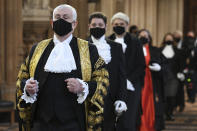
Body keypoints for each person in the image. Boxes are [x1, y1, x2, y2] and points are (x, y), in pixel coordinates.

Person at [16, 4, 109, 131]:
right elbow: (22, 77)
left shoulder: (88, 49)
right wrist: (27, 87)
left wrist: (83, 87)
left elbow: (102, 79)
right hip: (41, 122)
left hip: (74, 122)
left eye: (65, 17)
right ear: (52, 23)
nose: (61, 20)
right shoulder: (37, 49)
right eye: (57, 17)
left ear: (74, 24)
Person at [87, 12, 127, 131]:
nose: (97, 27)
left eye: (100, 24)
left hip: (110, 99)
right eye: (94, 25)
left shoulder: (116, 47)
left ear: (105, 27)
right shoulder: (82, 45)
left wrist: (121, 98)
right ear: (89, 26)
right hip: (87, 98)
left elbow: (121, 76)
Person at [108, 12, 146, 131]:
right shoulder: (108, 41)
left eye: (121, 24)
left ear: (127, 25)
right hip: (113, 85)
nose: (119, 26)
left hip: (132, 85)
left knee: (128, 118)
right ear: (112, 25)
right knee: (113, 117)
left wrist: (128, 80)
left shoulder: (135, 41)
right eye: (116, 24)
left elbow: (141, 65)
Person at [138, 29, 165, 131]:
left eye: (145, 36)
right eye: (141, 36)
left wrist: (159, 68)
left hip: (152, 81)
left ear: (149, 38)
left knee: (151, 105)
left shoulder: (155, 50)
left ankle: (150, 126)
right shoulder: (134, 50)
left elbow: (164, 64)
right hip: (139, 82)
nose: (143, 37)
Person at [160, 33, 184, 121]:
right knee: (164, 96)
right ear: (164, 39)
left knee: (172, 96)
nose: (169, 40)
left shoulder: (177, 50)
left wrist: (181, 72)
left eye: (170, 38)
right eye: (167, 38)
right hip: (162, 76)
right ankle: (164, 113)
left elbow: (180, 63)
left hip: (173, 76)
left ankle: (170, 113)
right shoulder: (160, 50)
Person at [173, 30, 185, 112]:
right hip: (174, 69)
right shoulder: (172, 44)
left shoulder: (184, 44)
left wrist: (182, 71)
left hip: (181, 70)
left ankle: (181, 104)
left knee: (180, 89)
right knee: (174, 89)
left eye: (177, 35)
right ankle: (175, 104)